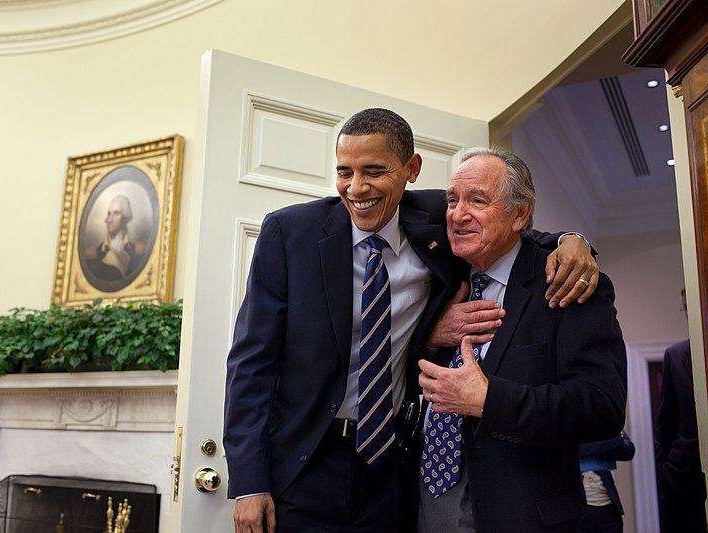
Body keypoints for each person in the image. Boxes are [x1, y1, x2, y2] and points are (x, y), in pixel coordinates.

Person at [223, 109, 597, 533]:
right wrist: (250, 483)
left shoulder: (440, 217)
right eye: (344, 171)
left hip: (391, 467)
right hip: (305, 462)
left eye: (374, 171)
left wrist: (574, 242)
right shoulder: (289, 235)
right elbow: (250, 367)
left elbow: (510, 225)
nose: (356, 187)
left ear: (411, 170)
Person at [417, 147, 627, 532]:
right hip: (426, 506)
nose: (457, 214)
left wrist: (487, 400)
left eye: (477, 200)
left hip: (522, 515)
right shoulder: (439, 276)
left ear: (519, 214)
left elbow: (601, 408)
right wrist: (430, 337)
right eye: (452, 200)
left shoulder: (568, 282)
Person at [655, 289, 707, 532]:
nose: (690, 314)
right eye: (686, 308)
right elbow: (666, 424)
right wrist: (665, 471)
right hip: (683, 479)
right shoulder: (674, 356)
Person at [83, 194, 147, 289]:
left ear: (125, 218)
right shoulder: (92, 255)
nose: (109, 219)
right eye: (109, 214)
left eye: (115, 213)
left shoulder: (139, 251)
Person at [579, 432, 636, 533]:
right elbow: (574, 450)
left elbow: (628, 450)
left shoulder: (605, 421)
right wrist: (609, 442)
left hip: (609, 507)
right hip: (578, 510)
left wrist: (591, 446)